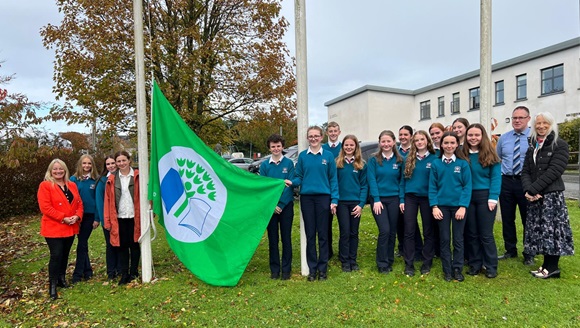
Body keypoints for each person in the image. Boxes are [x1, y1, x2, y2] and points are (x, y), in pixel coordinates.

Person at [522, 112, 574, 279]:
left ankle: (552, 267)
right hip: (536, 196)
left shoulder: (560, 145)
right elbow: (526, 171)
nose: (541, 126)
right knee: (542, 231)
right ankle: (545, 265)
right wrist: (528, 190)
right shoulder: (533, 145)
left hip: (551, 197)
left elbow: (555, 171)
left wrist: (533, 190)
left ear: (551, 125)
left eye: (545, 123)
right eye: (538, 123)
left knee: (552, 231)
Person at [286, 126, 338, 281]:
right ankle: (312, 269)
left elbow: (333, 179)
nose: (314, 138)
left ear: (321, 137)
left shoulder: (328, 156)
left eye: (316, 136)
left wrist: (334, 200)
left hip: (324, 198)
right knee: (310, 235)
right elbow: (299, 176)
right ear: (307, 138)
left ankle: (323, 270)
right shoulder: (303, 156)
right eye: (311, 136)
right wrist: (291, 182)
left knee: (323, 235)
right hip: (307, 199)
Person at [37, 159, 83, 300]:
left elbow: (79, 203)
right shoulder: (45, 186)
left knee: (65, 254)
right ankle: (52, 284)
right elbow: (45, 207)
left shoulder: (72, 185)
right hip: (54, 227)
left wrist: (77, 216)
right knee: (56, 255)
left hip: (70, 226)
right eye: (55, 169)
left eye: (60, 169)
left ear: (65, 170)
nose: (58, 171)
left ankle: (62, 278)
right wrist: (63, 217)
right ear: (50, 171)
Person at [429, 132, 472, 282]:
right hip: (441, 208)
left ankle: (457, 269)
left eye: (452, 143)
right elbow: (432, 186)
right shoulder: (436, 164)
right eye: (446, 143)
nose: (449, 146)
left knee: (458, 239)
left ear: (457, 144)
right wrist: (434, 206)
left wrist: (463, 206)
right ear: (441, 145)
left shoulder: (462, 164)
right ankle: (447, 270)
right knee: (445, 238)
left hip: (458, 208)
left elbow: (467, 187)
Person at [496, 106, 534, 265]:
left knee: (528, 219)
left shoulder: (534, 137)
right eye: (514, 118)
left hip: (526, 183)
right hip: (506, 182)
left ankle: (529, 252)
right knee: (507, 218)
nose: (517, 121)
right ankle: (510, 250)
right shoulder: (504, 138)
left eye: (521, 118)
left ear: (528, 119)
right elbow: (498, 158)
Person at [462, 124, 501, 278]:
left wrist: (493, 197)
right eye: (470, 135)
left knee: (485, 234)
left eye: (476, 135)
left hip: (485, 197)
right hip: (467, 197)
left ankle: (491, 266)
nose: (473, 138)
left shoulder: (491, 154)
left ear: (482, 136)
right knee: (471, 233)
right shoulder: (461, 154)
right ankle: (475, 264)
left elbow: (496, 178)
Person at [400, 130, 437, 277]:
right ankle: (409, 263)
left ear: (427, 141)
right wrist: (402, 199)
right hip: (410, 198)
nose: (419, 142)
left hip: (427, 198)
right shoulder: (408, 158)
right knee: (409, 230)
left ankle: (427, 261)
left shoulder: (435, 159)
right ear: (413, 143)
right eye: (417, 140)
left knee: (428, 231)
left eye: (422, 139)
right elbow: (402, 181)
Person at [367, 130, 404, 274]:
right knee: (385, 230)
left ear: (394, 142)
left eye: (389, 141)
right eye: (383, 141)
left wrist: (401, 200)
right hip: (379, 200)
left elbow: (402, 182)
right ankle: (381, 263)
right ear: (379, 143)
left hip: (394, 199)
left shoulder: (400, 160)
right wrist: (376, 199)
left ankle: (389, 260)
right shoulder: (373, 160)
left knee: (392, 231)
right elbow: (372, 180)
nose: (386, 144)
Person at [260, 134, 295, 280]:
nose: (276, 149)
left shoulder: (289, 164)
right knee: (273, 239)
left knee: (286, 238)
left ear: (282, 147)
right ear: (269, 147)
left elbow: (289, 186)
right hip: (271, 208)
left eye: (278, 146)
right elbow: (263, 187)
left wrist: (280, 204)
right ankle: (275, 270)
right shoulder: (264, 165)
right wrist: (272, 205)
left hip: (286, 206)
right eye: (273, 146)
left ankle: (286, 270)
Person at [104, 151, 141, 285]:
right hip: (119, 217)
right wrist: (107, 219)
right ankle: (124, 273)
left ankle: (134, 271)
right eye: (118, 161)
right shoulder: (112, 179)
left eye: (123, 160)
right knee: (122, 246)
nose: (121, 163)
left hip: (134, 215)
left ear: (129, 160)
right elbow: (107, 200)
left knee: (135, 244)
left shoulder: (138, 175)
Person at [335, 134, 367, 272]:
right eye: (346, 145)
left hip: (355, 203)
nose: (349, 147)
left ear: (356, 147)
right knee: (345, 232)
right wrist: (334, 201)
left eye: (351, 145)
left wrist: (360, 205)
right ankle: (344, 260)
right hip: (341, 202)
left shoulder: (361, 165)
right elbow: (334, 184)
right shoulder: (337, 164)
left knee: (354, 232)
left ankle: (353, 260)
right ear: (343, 147)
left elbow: (364, 186)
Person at [69, 154, 99, 284]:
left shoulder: (96, 180)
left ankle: (78, 273)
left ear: (92, 165)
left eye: (89, 164)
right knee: (82, 243)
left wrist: (97, 218)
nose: (86, 166)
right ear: (80, 165)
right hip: (76, 215)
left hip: (90, 215)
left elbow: (98, 201)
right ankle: (88, 271)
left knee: (82, 242)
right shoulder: (73, 179)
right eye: (84, 163)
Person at [397, 126, 423, 261]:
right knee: (401, 223)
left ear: (411, 136)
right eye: (400, 134)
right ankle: (402, 248)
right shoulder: (396, 151)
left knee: (411, 224)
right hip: (399, 191)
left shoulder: (415, 151)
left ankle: (419, 248)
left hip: (413, 191)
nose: (403, 137)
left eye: (405, 134)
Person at [95, 155, 120, 280]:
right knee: (110, 245)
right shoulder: (102, 181)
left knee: (121, 244)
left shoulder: (122, 178)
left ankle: (121, 268)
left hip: (121, 217)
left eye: (113, 163)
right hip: (108, 219)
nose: (111, 166)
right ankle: (111, 271)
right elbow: (100, 202)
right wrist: (104, 220)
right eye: (108, 164)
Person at [322, 121, 341, 258]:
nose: (333, 133)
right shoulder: (323, 149)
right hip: (327, 191)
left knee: (344, 224)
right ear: (327, 133)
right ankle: (327, 251)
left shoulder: (344, 147)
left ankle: (343, 251)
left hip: (342, 191)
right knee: (326, 224)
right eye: (331, 131)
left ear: (339, 132)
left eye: (335, 131)